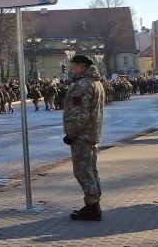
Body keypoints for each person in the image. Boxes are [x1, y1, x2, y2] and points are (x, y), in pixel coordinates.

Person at [62, 54, 105, 221]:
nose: (72, 68)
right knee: (91, 169)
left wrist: (71, 134)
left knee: (82, 171)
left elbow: (80, 113)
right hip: (92, 133)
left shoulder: (83, 85)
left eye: (74, 65)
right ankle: (94, 204)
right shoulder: (96, 83)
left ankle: (92, 207)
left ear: (82, 66)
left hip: (82, 135)